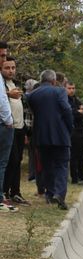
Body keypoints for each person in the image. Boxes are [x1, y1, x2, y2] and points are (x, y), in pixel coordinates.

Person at [27, 69, 73, 210]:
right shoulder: (59, 91)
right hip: (60, 134)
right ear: (53, 81)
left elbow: (34, 113)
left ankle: (49, 193)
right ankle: (59, 194)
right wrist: (69, 127)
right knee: (61, 165)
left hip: (41, 136)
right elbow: (67, 110)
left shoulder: (31, 95)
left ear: (41, 81)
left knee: (46, 166)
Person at [2, 56, 29, 206]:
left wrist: (24, 130)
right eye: (7, 67)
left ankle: (15, 192)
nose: (11, 70)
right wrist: (8, 94)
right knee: (10, 161)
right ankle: (4, 192)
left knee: (17, 161)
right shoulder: (2, 85)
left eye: (13, 67)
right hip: (7, 128)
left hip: (19, 129)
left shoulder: (15, 84)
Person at [0, 41, 17, 213]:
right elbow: (2, 103)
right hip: (4, 125)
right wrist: (8, 120)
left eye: (5, 55)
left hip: (6, 124)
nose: (3, 59)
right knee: (2, 163)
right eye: (1, 56)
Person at [66, 82, 83, 185]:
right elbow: (70, 113)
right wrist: (78, 112)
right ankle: (74, 178)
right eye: (69, 88)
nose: (72, 90)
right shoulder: (65, 100)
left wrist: (81, 111)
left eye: (73, 88)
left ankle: (82, 176)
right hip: (72, 131)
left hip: (80, 131)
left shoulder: (76, 99)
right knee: (74, 156)